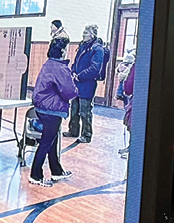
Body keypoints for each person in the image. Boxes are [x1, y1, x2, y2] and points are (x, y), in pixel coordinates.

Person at [28, 41, 76, 187]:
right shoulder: (60, 68)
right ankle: (35, 175)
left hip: (42, 106)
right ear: (62, 51)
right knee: (46, 141)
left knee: (52, 139)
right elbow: (69, 92)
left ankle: (56, 171)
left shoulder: (48, 64)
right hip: (52, 109)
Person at [68, 24, 111, 146]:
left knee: (85, 111)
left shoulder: (98, 49)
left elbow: (95, 68)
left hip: (87, 83)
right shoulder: (83, 46)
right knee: (74, 108)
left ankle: (86, 135)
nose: (83, 35)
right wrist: (73, 72)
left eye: (85, 33)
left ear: (92, 35)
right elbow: (76, 62)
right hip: (77, 82)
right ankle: (73, 131)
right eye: (83, 33)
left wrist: (80, 76)